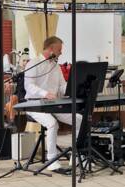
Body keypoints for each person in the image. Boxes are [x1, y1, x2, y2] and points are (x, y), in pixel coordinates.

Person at [24, 36, 82, 171]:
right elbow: (29, 86)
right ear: (51, 49)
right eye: (59, 50)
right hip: (34, 104)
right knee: (52, 123)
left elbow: (62, 86)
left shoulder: (55, 66)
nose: (61, 53)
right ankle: (51, 159)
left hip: (53, 104)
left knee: (79, 119)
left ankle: (77, 155)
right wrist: (45, 94)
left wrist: (73, 90)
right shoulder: (33, 63)